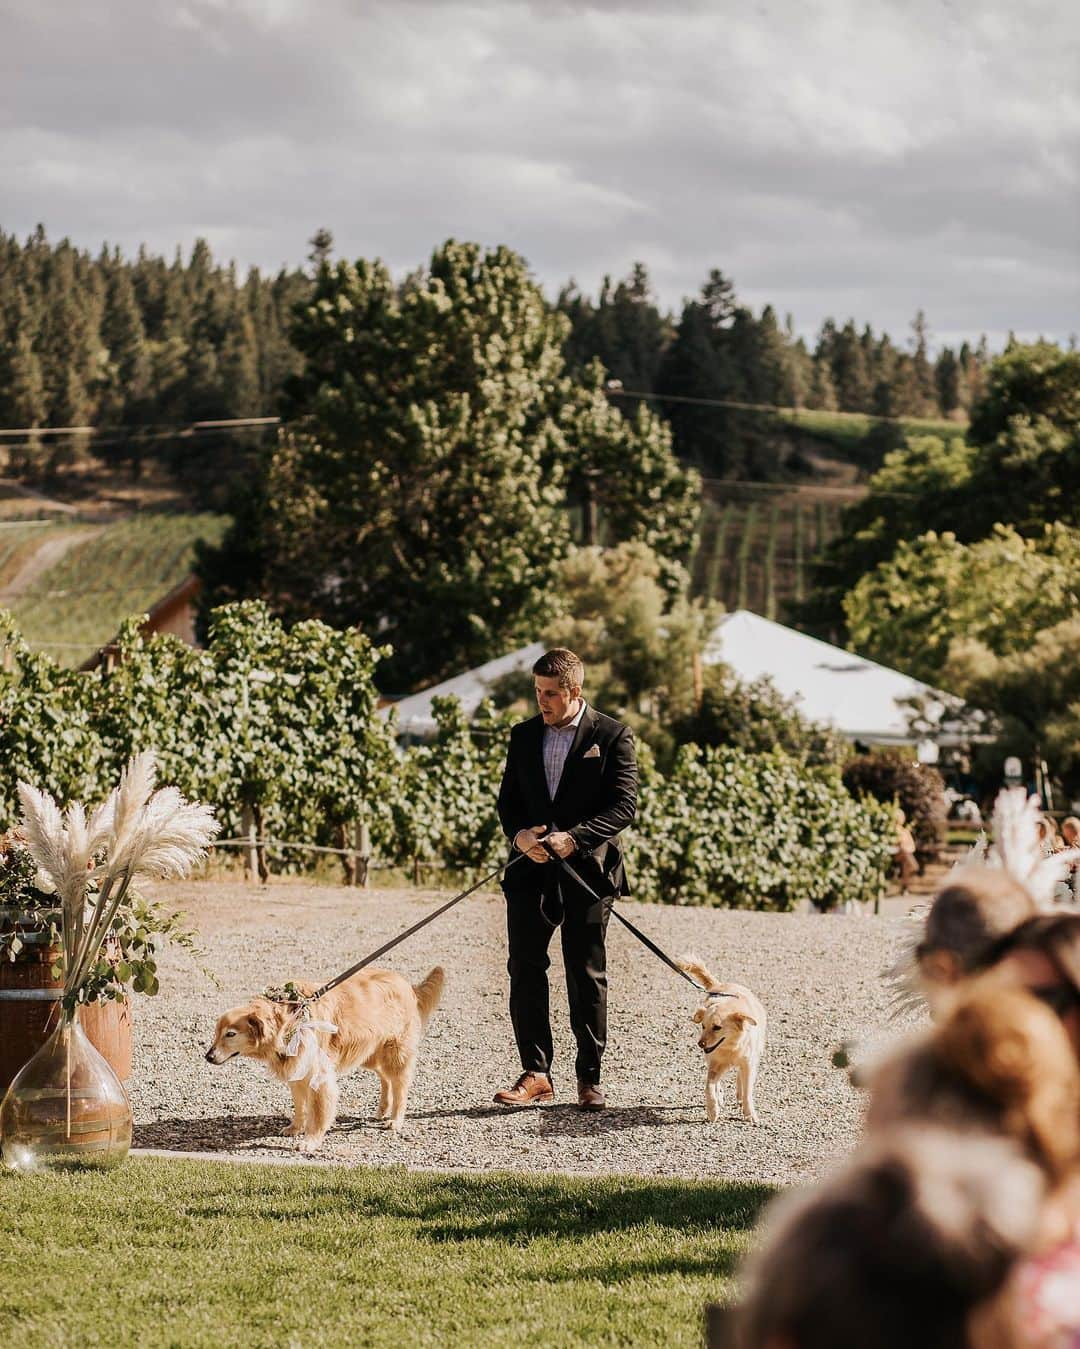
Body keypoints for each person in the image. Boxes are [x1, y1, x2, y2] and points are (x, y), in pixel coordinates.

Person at [493, 647, 637, 1111]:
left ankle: (588, 1078)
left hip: (588, 874)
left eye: (551, 693)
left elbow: (623, 807)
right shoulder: (522, 735)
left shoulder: (613, 736)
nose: (543, 701)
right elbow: (508, 801)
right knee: (526, 970)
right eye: (537, 692)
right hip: (529, 871)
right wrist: (518, 836)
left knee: (586, 974)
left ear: (575, 691)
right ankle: (536, 1074)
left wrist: (574, 838)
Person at [894, 808, 918, 894]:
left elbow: (912, 845)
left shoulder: (904, 831)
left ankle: (903, 886)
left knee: (907, 867)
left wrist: (906, 848)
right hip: (897, 854)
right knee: (910, 865)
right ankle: (904, 887)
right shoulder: (893, 830)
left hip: (906, 854)